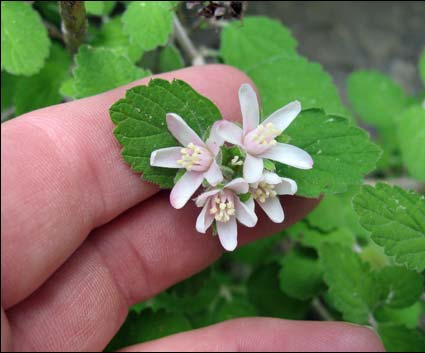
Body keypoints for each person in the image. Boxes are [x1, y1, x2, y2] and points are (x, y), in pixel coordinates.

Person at [1, 65, 384, 352]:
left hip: (238, 173)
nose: (260, 138)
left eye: (221, 202)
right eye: (222, 203)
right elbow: (198, 161)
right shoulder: (212, 153)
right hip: (221, 170)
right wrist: (215, 176)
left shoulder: (250, 161)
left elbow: (243, 180)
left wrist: (247, 184)